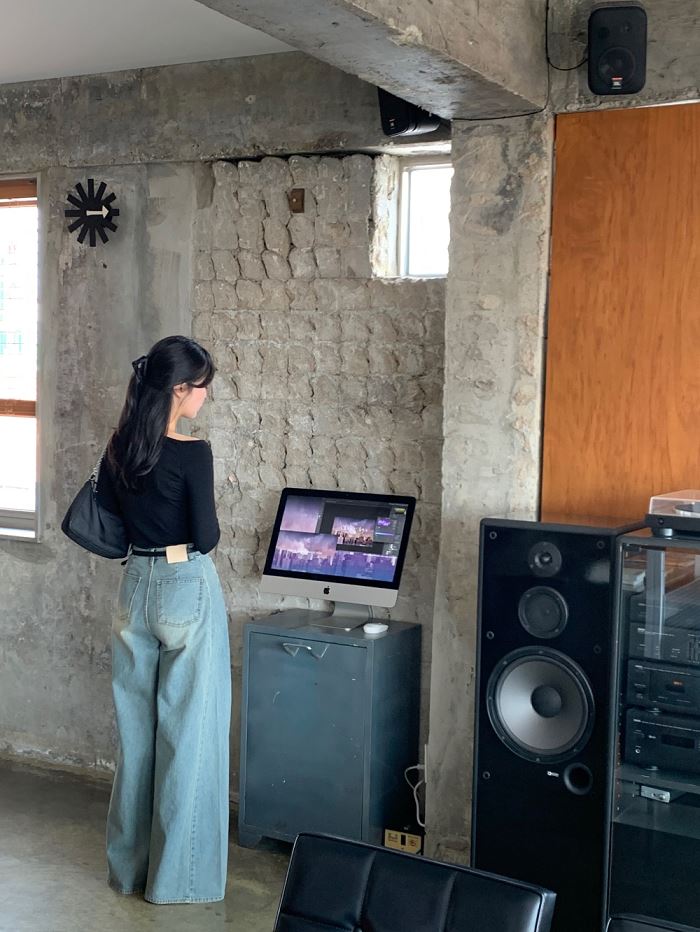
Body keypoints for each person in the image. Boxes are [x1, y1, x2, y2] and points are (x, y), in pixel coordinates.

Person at [96, 335, 231, 905]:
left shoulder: (120, 445)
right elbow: (207, 536)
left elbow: (111, 515)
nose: (205, 396)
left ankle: (128, 873)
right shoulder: (192, 453)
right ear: (179, 389)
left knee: (137, 737)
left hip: (134, 585)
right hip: (184, 586)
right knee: (189, 734)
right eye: (202, 386)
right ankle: (177, 881)